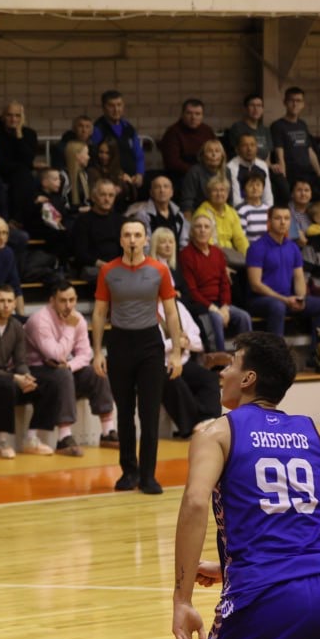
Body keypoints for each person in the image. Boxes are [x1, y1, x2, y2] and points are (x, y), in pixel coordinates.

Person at [172, 332, 320, 639]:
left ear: (248, 378)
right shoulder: (313, 434)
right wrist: (227, 567)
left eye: (231, 364)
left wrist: (183, 599)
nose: (222, 372)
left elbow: (195, 502)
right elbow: (306, 521)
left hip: (261, 596)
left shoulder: (216, 432)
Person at [91, 219, 185, 495]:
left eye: (137, 235)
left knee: (149, 412)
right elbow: (99, 313)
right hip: (119, 343)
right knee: (124, 412)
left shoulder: (159, 270)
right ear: (121, 239)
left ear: (145, 239)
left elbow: (171, 312)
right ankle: (128, 471)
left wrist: (176, 352)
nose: (132, 239)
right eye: (127, 235)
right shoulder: (108, 271)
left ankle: (148, 476)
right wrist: (97, 352)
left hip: (150, 344)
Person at [0, 285, 61, 458]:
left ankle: (31, 439)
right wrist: (15, 378)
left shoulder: (17, 326)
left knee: (50, 384)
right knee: (7, 385)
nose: (6, 305)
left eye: (10, 301)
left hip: (6, 375)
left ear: (14, 304)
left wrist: (26, 376)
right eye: (1, 301)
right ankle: (1, 442)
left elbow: (21, 361)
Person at [25, 279, 115, 454]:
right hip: (35, 369)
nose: (68, 305)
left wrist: (70, 366)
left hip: (61, 368)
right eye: (63, 300)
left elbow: (85, 354)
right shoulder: (39, 320)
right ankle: (64, 437)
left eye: (72, 300)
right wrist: (69, 328)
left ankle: (107, 431)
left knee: (96, 371)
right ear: (52, 301)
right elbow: (56, 354)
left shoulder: (77, 318)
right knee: (63, 376)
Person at [246, 205, 320, 340]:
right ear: (269, 222)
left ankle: (319, 351)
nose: (283, 222)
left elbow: (299, 277)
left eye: (287, 218)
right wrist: (284, 300)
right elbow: (255, 285)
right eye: (278, 218)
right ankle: (276, 352)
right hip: (261, 300)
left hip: (288, 299)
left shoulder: (293, 247)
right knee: (277, 307)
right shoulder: (257, 247)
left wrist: (300, 298)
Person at [180, 212, 253, 353]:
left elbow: (224, 283)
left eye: (206, 227)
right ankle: (220, 359)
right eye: (198, 227)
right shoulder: (186, 255)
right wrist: (214, 308)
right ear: (192, 231)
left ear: (211, 231)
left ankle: (245, 356)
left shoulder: (217, 253)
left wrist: (225, 306)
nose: (202, 230)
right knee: (216, 318)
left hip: (220, 304)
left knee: (244, 317)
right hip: (201, 305)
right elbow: (192, 290)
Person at [159, 299, 221, 439]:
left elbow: (198, 343)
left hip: (183, 361)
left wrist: (186, 342)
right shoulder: (145, 309)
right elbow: (150, 347)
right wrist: (174, 342)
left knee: (209, 378)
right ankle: (192, 428)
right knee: (174, 381)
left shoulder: (179, 306)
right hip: (159, 365)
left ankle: (210, 422)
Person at [271, 87, 320, 203]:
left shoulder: (302, 124)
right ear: (285, 103)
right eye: (291, 100)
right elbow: (279, 156)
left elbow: (310, 152)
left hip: (308, 173)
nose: (295, 104)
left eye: (298, 101)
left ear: (303, 104)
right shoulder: (278, 126)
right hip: (292, 174)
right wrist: (284, 181)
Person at [0, 100, 41, 215]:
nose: (13, 119)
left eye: (17, 116)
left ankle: (20, 218)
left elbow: (28, 159)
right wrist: (20, 166)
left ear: (22, 118)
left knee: (23, 175)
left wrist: (19, 136)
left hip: (21, 173)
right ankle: (17, 217)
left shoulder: (29, 134)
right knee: (22, 173)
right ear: (3, 116)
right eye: (9, 115)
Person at [90, 90, 144, 193]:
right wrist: (118, 176)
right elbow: (97, 159)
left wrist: (139, 174)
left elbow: (139, 154)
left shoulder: (129, 128)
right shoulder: (98, 129)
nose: (116, 110)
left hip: (132, 180)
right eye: (111, 106)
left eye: (119, 105)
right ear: (103, 108)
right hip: (111, 183)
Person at [71, 179, 125, 281]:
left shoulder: (120, 220)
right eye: (103, 195)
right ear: (93, 197)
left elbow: (125, 250)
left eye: (111, 195)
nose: (107, 199)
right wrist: (103, 265)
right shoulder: (83, 221)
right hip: (93, 266)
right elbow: (80, 253)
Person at [193, 176, 249, 270]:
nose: (219, 194)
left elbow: (240, 239)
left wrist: (250, 258)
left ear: (227, 193)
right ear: (209, 193)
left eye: (222, 190)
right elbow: (206, 244)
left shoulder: (232, 212)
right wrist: (221, 265)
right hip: (210, 259)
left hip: (231, 257)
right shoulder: (202, 213)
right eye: (215, 190)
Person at [161, 99, 217, 185]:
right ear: (182, 114)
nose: (193, 117)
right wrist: (197, 172)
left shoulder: (207, 130)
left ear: (202, 116)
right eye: (189, 113)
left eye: (197, 114)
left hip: (207, 172)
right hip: (182, 176)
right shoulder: (173, 132)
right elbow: (172, 162)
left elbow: (218, 151)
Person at [127, 173, 189, 248]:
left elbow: (184, 242)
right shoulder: (143, 215)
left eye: (166, 187)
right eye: (157, 187)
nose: (162, 190)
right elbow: (144, 245)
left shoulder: (179, 216)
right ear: (151, 193)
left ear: (172, 192)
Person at [227, 131, 277, 209]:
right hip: (240, 210)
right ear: (237, 149)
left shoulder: (262, 165)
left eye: (252, 145)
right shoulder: (231, 167)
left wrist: (268, 212)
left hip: (261, 208)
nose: (249, 149)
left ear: (257, 148)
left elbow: (268, 197)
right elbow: (236, 201)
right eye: (245, 145)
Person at [179, 139, 231, 215]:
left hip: (222, 213)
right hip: (200, 214)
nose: (214, 154)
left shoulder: (227, 171)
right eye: (210, 151)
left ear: (222, 155)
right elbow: (187, 201)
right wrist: (188, 220)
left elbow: (230, 199)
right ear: (203, 156)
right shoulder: (194, 172)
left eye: (217, 151)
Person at [224, 94, 272, 162]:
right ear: (245, 109)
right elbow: (237, 153)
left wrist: (266, 166)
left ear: (262, 109)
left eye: (259, 106)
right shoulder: (237, 128)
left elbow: (268, 156)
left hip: (263, 166)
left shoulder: (265, 130)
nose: (256, 109)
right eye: (252, 105)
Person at [88, 136, 133, 206]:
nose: (103, 156)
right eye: (101, 152)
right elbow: (92, 195)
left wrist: (129, 184)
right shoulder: (92, 171)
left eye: (107, 153)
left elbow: (130, 197)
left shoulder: (118, 171)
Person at [236, 171, 271, 243]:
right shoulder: (241, 210)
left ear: (263, 188)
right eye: (251, 185)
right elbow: (241, 238)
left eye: (258, 185)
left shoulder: (268, 209)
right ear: (244, 190)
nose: (255, 188)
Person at [64, 139, 92, 210]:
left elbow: (86, 201)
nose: (88, 157)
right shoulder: (64, 177)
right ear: (77, 155)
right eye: (86, 154)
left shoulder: (84, 175)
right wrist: (78, 210)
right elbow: (61, 205)